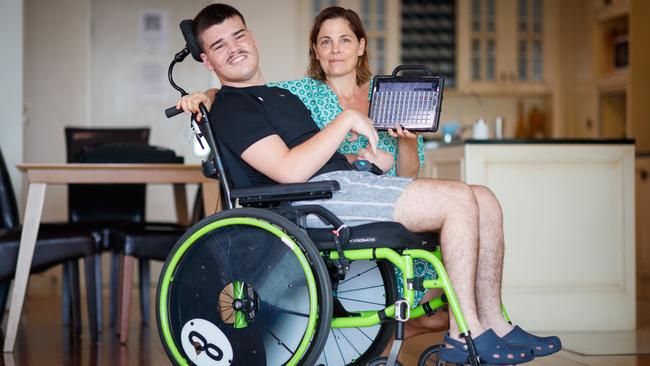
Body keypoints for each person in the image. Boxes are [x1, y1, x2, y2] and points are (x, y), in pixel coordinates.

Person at [188, 3, 561, 364]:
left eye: (238, 36)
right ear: (207, 60)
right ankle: (466, 334)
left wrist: (360, 160)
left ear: (251, 37)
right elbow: (288, 171)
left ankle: (494, 322)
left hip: (342, 183)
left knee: (485, 198)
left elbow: (312, 156)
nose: (234, 48)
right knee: (459, 198)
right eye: (220, 45)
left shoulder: (280, 96)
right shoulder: (234, 107)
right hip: (311, 203)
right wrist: (204, 98)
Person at [178, 6, 444, 339]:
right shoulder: (298, 93)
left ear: (361, 45)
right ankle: (378, 336)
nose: (336, 49)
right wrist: (207, 96)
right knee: (448, 217)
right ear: (315, 50)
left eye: (345, 40)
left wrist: (402, 144)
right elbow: (241, 94)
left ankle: (383, 335)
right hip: (338, 202)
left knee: (439, 303)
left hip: (378, 189)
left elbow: (408, 174)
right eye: (326, 41)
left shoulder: (385, 95)